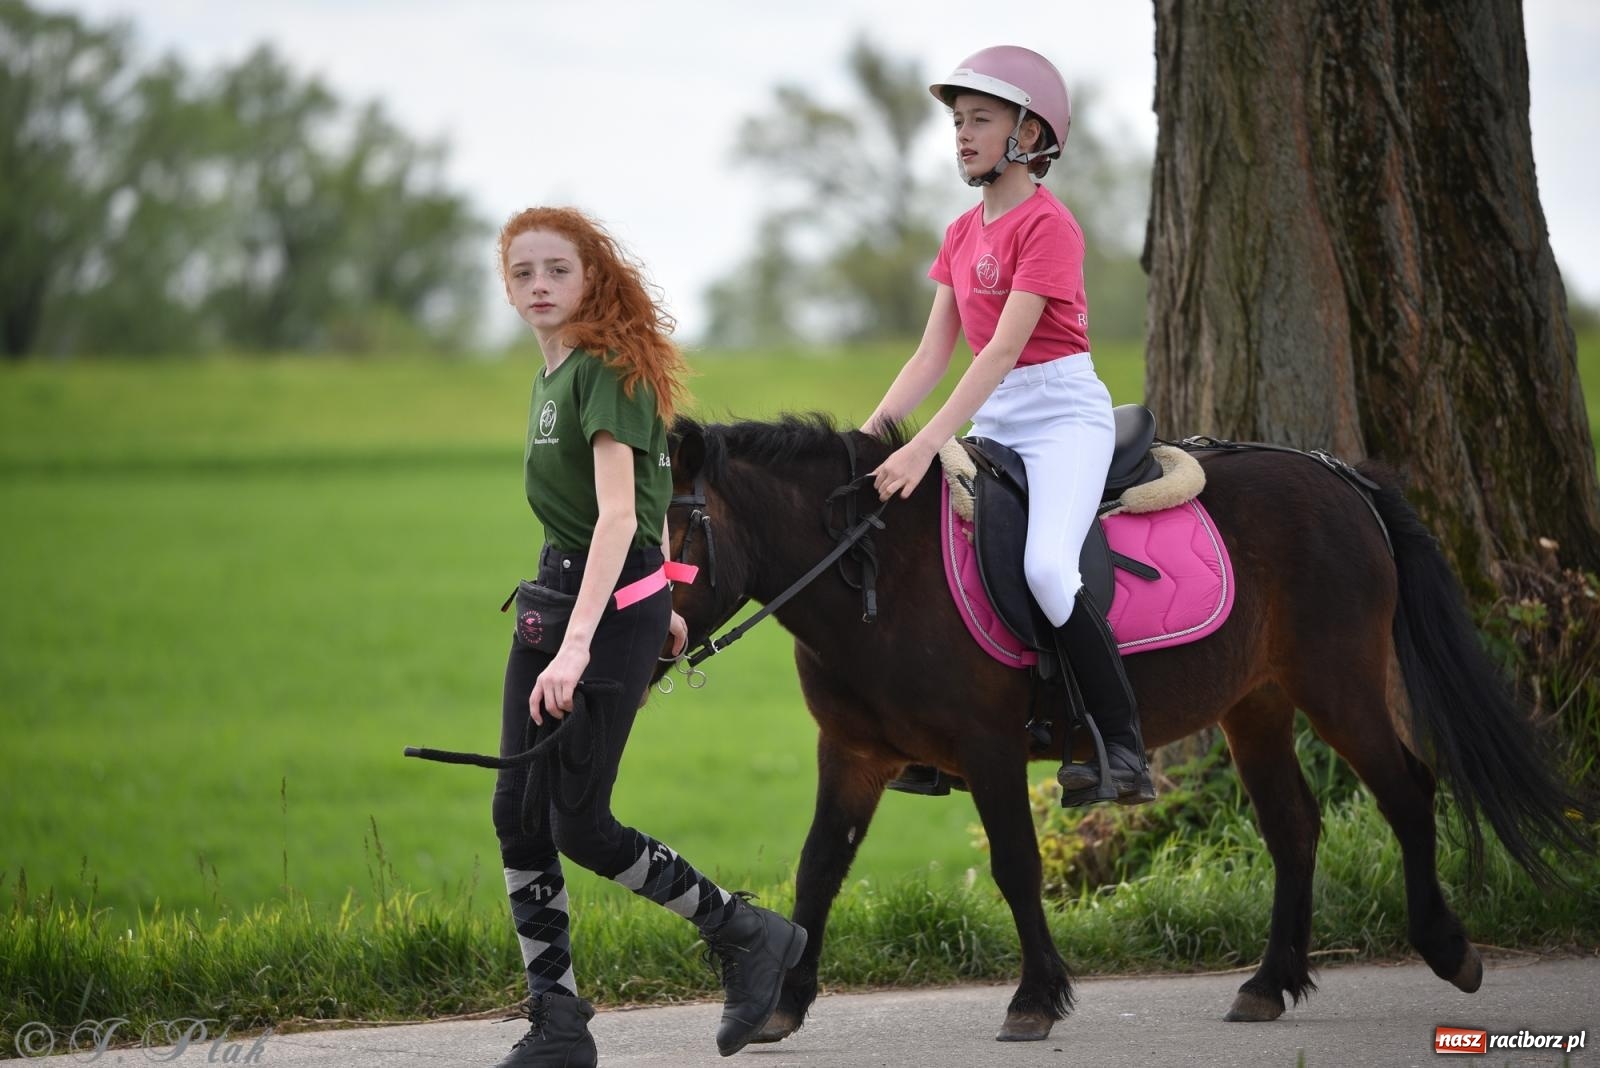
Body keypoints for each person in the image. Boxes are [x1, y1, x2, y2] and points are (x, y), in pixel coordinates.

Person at [490, 206, 806, 1066]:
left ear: (592, 276)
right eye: (523, 273)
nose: (540, 286)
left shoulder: (610, 372)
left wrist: (581, 643)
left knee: (579, 823)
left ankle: (748, 934)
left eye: (558, 269)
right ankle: (556, 1020)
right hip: (560, 597)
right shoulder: (551, 376)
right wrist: (650, 596)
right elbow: (602, 513)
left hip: (591, 617)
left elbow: (624, 514)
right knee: (517, 815)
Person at [863, 46, 1155, 808]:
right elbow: (934, 354)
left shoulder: (1049, 226)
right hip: (995, 420)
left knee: (1049, 570)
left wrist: (926, 445)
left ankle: (1120, 746)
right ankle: (931, 739)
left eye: (980, 121)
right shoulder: (961, 233)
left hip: (1060, 417)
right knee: (925, 550)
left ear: (1028, 133)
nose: (962, 135)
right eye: (958, 122)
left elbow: (999, 352)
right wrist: (870, 438)